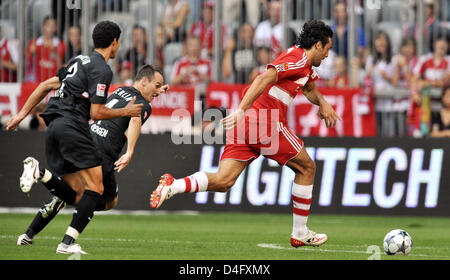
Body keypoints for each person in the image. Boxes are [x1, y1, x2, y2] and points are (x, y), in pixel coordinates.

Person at [150, 20, 340, 248]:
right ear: (318, 45)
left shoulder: (303, 64)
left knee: (223, 181)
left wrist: (322, 103)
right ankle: (300, 231)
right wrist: (241, 110)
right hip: (264, 121)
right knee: (307, 167)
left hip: (247, 125)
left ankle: (172, 186)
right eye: (327, 49)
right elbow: (263, 78)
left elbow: (308, 88)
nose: (328, 55)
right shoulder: (298, 59)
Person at [6, 21, 143, 255]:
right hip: (73, 127)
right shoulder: (102, 69)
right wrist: (125, 111)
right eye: (119, 41)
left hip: (54, 129)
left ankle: (40, 174)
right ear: (115, 42)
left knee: (75, 193)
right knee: (96, 187)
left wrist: (20, 114)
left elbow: (45, 85)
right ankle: (66, 244)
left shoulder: (79, 61)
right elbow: (96, 113)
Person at [16, 65, 169, 247]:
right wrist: (130, 151)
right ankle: (67, 242)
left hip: (85, 140)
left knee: (69, 194)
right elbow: (135, 119)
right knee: (103, 198)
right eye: (157, 86)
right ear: (144, 81)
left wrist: (159, 87)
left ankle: (28, 234)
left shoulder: (120, 90)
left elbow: (104, 110)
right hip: (103, 152)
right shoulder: (143, 105)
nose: (159, 91)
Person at [26, 16, 66, 82]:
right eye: (49, 25)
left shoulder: (61, 44)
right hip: (37, 83)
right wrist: (31, 53)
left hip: (54, 83)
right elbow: (27, 64)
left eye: (53, 26)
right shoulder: (34, 43)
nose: (51, 28)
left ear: (56, 29)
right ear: (44, 27)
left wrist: (54, 51)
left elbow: (61, 65)